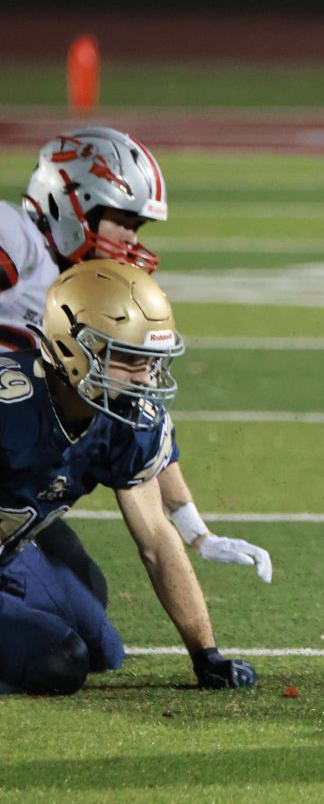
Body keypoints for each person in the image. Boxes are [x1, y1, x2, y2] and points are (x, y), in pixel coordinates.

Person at [0, 127, 273, 616]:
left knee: (85, 598)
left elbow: (136, 416)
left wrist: (196, 532)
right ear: (69, 204)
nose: (132, 240)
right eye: (123, 221)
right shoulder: (17, 241)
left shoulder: (94, 289)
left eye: (138, 226)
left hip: (16, 477)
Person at [0, 259, 256, 694]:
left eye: (152, 361)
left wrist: (206, 656)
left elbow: (156, 537)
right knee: (59, 663)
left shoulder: (121, 418)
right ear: (72, 348)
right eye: (131, 359)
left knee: (103, 648)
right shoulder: (12, 408)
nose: (146, 377)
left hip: (12, 551)